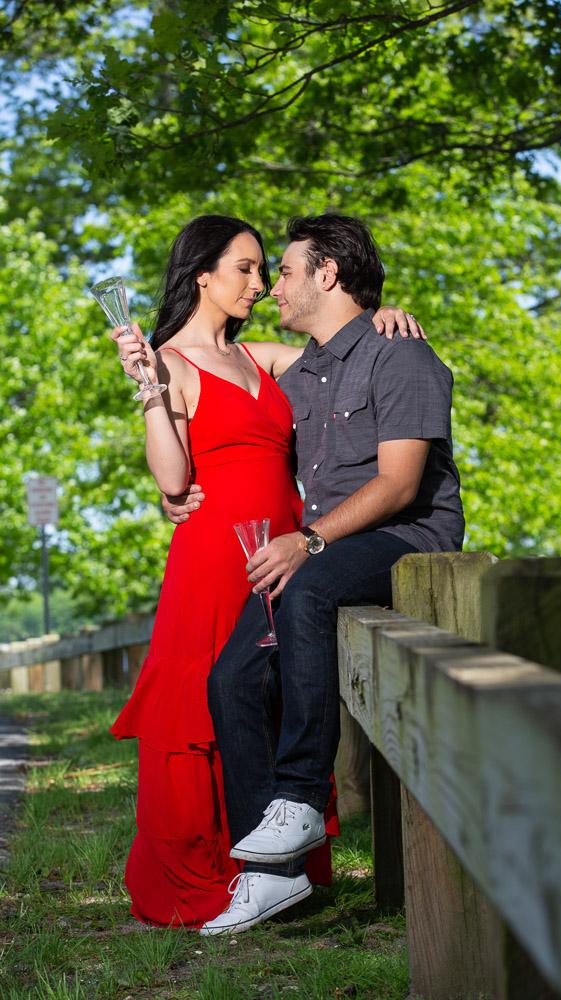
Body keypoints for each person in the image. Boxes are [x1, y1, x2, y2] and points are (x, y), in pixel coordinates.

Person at [110, 213, 424, 928]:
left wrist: (387, 316)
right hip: (214, 553)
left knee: (273, 689)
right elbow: (170, 478)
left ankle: (277, 871)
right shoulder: (169, 362)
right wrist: (151, 389)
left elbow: (343, 343)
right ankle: (210, 873)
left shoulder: (265, 358)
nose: (258, 283)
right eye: (245, 269)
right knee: (205, 695)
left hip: (288, 546)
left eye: (264, 269)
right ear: (203, 275)